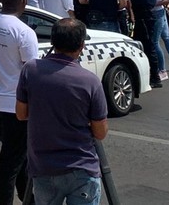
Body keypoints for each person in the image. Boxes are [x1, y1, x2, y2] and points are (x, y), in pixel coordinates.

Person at [16, 19, 108, 205]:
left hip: (44, 167)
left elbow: (21, 114)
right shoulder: (90, 81)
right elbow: (100, 132)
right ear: (81, 45)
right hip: (81, 166)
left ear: (52, 42)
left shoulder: (30, 70)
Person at [0, 0, 38, 205]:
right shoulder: (24, 32)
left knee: (19, 159)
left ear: (2, 0)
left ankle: (29, 200)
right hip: (17, 106)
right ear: (24, 1)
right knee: (10, 164)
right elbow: (32, 72)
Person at [123, 0, 162, 88]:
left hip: (144, 13)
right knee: (142, 43)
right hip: (141, 12)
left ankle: (155, 76)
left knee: (148, 44)